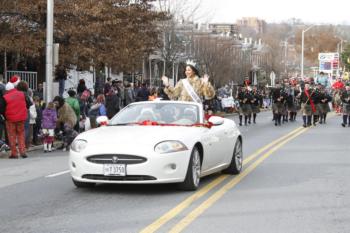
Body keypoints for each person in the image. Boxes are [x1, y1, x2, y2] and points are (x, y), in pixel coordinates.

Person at [2, 82, 32, 158]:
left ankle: (14, 153)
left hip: (10, 119)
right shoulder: (22, 94)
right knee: (21, 134)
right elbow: (29, 103)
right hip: (21, 118)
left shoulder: (5, 97)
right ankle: (23, 151)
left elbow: (2, 109)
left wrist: (5, 117)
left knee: (12, 136)